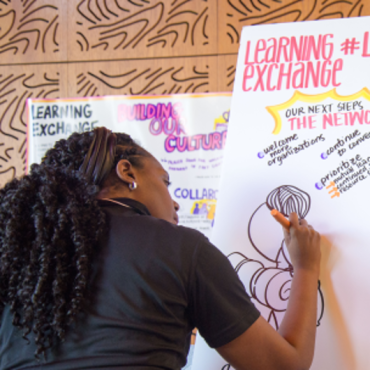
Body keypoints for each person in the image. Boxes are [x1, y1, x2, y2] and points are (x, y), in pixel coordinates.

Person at [0, 127, 321, 370]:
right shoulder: (181, 247)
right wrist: (305, 267)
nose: (175, 201)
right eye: (166, 182)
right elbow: (283, 366)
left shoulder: (16, 260)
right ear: (128, 173)